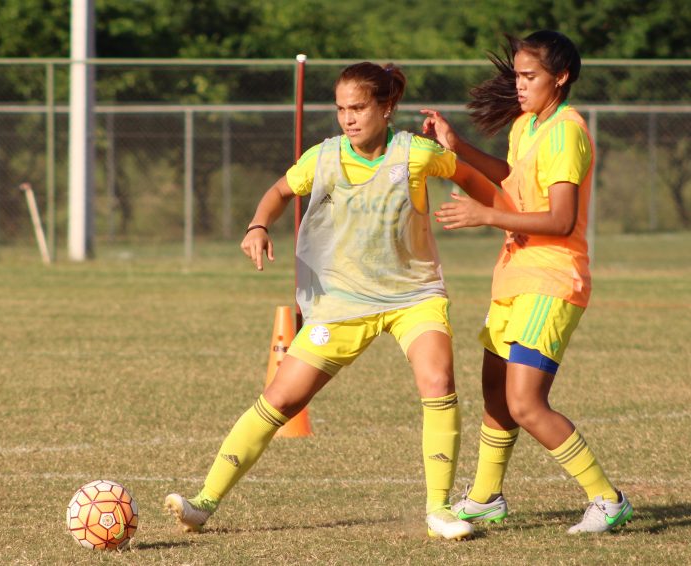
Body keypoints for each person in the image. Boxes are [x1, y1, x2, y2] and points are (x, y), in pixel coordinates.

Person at [164, 61, 507, 540]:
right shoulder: (321, 158)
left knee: (438, 378)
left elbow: (473, 178)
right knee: (281, 398)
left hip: (413, 296)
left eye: (359, 107)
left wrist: (492, 214)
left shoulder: (415, 153)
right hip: (340, 303)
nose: (348, 118)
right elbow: (279, 191)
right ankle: (203, 503)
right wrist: (258, 225)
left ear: (386, 108)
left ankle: (440, 510)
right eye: (342, 109)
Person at [421, 30, 633, 534]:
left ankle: (607, 499)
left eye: (529, 76)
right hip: (515, 275)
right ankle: (486, 497)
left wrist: (484, 215)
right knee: (495, 393)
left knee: (525, 403)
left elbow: (560, 220)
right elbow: (513, 180)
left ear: (560, 78)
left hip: (552, 279)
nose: (519, 85)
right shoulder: (527, 125)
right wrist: (458, 147)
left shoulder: (566, 131)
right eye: (516, 74)